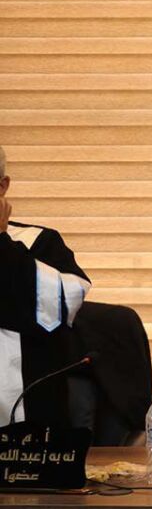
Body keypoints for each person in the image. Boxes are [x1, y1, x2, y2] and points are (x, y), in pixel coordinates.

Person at [0, 144, 91, 426]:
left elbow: (54, 312)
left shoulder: (40, 243)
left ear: (2, 187)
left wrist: (1, 241)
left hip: (25, 427)